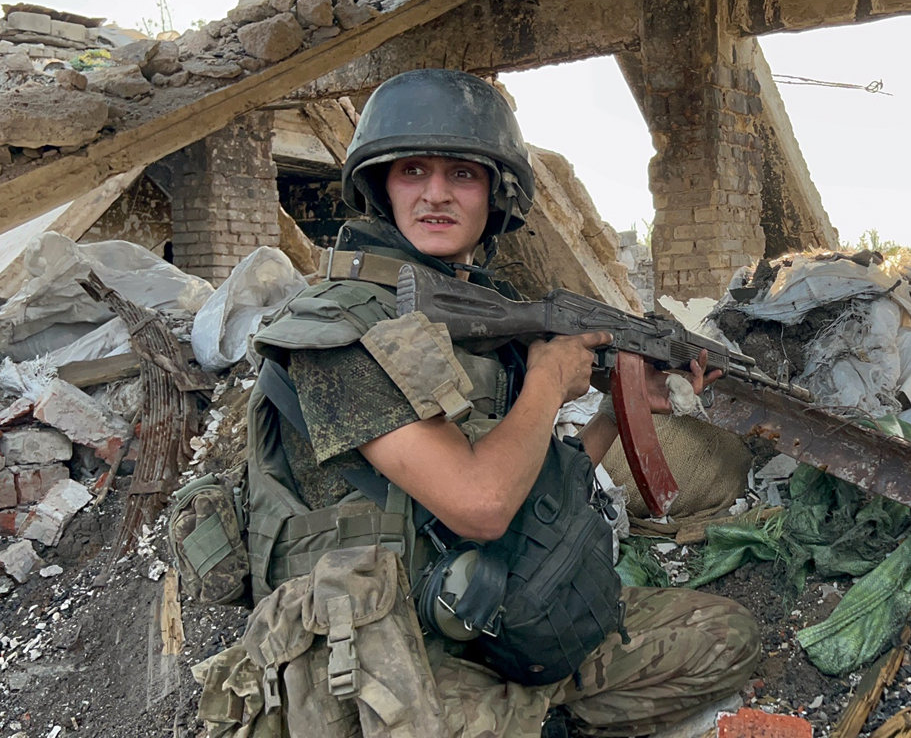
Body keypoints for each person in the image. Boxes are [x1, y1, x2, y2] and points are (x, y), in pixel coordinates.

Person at [194, 69, 759, 738]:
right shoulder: (336, 334)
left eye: (462, 174)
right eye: (412, 170)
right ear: (380, 187)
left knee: (726, 635)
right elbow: (481, 504)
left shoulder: (476, 323)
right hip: (384, 659)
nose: (436, 194)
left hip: (495, 609)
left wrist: (620, 407)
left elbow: (530, 482)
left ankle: (534, 719)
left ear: (497, 195)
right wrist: (548, 382)